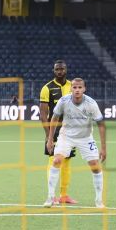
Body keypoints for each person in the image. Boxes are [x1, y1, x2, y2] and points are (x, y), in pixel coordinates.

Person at [43, 78, 106, 208]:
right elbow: (54, 118)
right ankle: (50, 197)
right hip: (66, 136)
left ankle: (99, 200)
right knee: (56, 161)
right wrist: (50, 139)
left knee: (95, 165)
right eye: (74, 87)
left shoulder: (91, 103)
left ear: (84, 89)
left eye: (79, 87)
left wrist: (103, 148)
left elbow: (101, 124)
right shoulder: (64, 101)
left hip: (85, 137)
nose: (77, 90)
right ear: (71, 88)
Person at [39, 60, 76, 205]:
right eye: (57, 69)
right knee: (53, 160)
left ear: (66, 70)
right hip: (54, 129)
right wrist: (48, 134)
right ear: (54, 71)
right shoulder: (47, 88)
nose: (60, 71)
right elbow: (43, 114)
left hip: (70, 129)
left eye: (62, 69)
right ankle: (51, 195)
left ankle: (64, 195)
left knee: (66, 161)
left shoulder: (72, 86)